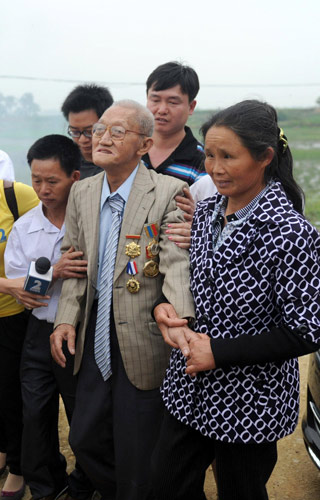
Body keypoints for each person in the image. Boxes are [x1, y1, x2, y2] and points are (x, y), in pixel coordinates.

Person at [151, 100, 320, 500]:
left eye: (228, 156)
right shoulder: (207, 212)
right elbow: (185, 280)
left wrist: (219, 352)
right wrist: (164, 307)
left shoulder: (291, 233)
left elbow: (306, 330)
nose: (215, 167)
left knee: (240, 490)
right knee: (166, 486)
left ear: (265, 157)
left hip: (249, 402)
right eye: (209, 155)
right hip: (188, 388)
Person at [50, 100, 195, 500]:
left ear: (144, 144)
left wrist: (179, 318)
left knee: (138, 446)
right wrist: (65, 320)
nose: (102, 138)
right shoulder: (82, 192)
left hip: (144, 336)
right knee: (84, 437)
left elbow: (175, 262)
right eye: (99, 130)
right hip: (93, 334)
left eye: (117, 131)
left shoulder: (168, 192)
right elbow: (75, 264)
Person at [5, 135, 91, 500]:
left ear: (74, 176)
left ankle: (86, 484)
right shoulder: (25, 228)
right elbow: (22, 288)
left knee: (83, 417)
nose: (42, 189)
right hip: (39, 333)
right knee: (35, 413)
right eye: (36, 180)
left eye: (52, 181)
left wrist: (39, 278)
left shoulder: (92, 222)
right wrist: (53, 272)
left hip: (82, 333)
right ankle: (46, 487)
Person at [0, 178, 39, 500]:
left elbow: (45, 245)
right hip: (6, 296)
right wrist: (5, 283)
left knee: (11, 394)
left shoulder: (16, 195)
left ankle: (17, 466)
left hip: (11, 316)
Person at [143, 61, 205, 186]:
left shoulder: (203, 161)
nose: (161, 110)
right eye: (155, 100)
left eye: (172, 102)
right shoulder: (129, 148)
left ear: (191, 107)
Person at [61, 83, 114, 179]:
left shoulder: (121, 166)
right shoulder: (64, 166)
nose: (82, 140)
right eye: (75, 132)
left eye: (89, 131)